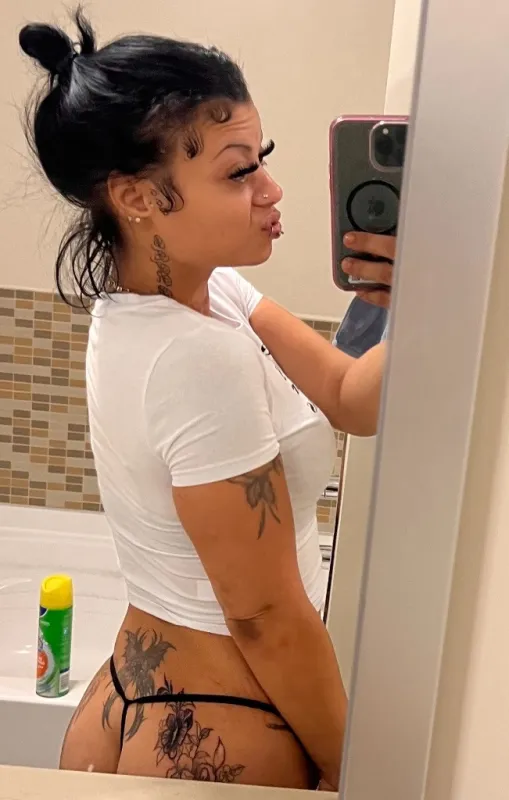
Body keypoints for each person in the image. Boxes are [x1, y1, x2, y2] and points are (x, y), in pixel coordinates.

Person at [20, 10, 388, 791]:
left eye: (262, 160)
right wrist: (353, 769)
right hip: (220, 727)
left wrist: (425, 296)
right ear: (137, 196)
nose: (270, 189)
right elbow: (264, 617)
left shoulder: (193, 299)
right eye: (237, 172)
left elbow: (350, 398)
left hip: (130, 701)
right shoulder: (195, 352)